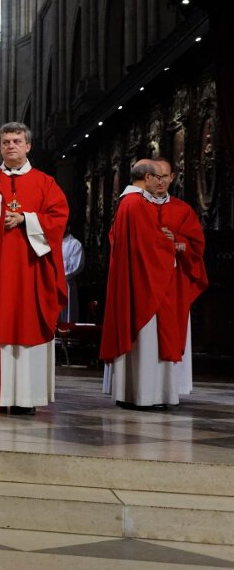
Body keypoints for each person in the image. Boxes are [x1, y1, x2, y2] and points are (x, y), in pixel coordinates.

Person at [100, 159, 207, 409]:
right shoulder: (137, 204)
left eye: (165, 176)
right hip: (146, 283)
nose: (160, 181)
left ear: (172, 178)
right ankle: (146, 395)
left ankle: (145, 393)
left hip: (169, 285)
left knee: (154, 340)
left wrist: (178, 243)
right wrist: (167, 245)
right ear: (147, 178)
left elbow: (194, 246)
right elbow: (137, 242)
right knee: (145, 341)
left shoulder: (177, 208)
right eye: (156, 176)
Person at [0, 122, 69, 415]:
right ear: (0, 147)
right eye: (6, 141)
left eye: (17, 141)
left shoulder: (45, 183)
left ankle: (25, 398)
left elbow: (58, 219)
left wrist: (25, 220)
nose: (11, 146)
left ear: (28, 146)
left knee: (28, 322)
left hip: (32, 269)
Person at [60, 229, 84, 323]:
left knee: (66, 315)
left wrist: (58, 275)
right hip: (50, 285)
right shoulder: (50, 241)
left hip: (66, 285)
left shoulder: (75, 244)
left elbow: (76, 266)